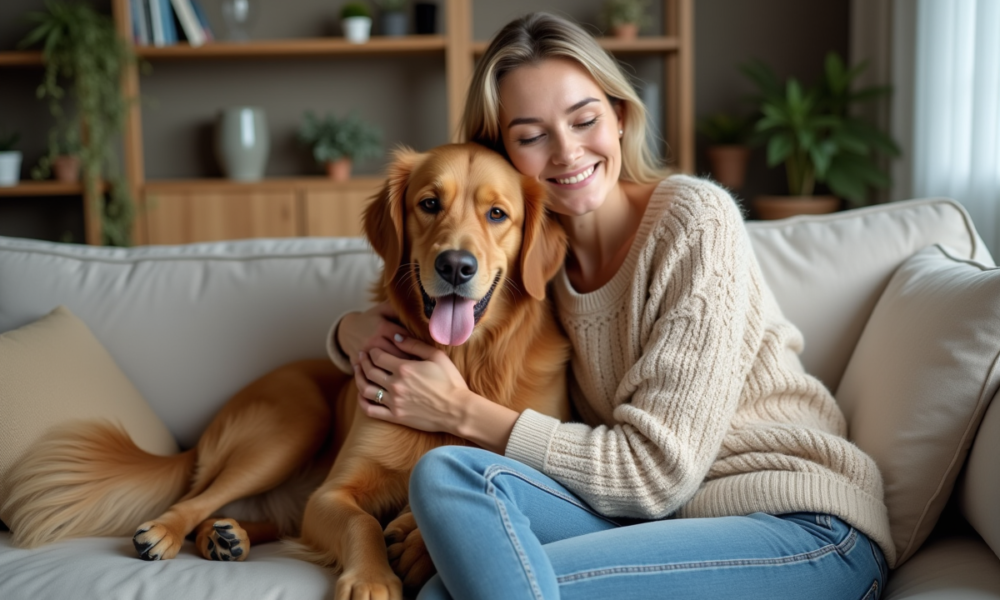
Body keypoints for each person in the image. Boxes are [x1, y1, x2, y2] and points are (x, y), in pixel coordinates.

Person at [328, 12, 892, 600]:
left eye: (585, 119)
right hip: (665, 523)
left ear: (619, 118)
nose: (568, 151)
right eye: (531, 135)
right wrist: (350, 330)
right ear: (500, 153)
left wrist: (459, 410)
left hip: (800, 524)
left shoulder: (695, 221)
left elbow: (656, 475)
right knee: (444, 477)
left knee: (451, 591)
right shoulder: (534, 272)